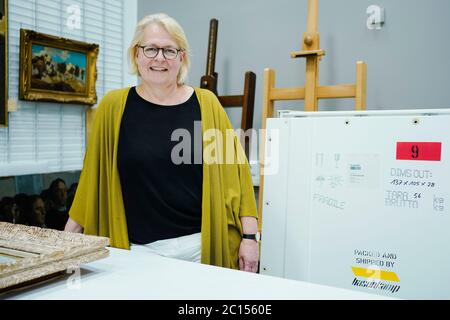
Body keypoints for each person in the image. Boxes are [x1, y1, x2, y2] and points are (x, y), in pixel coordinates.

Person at [65, 13, 259, 272]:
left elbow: (239, 179)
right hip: (135, 255)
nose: (159, 58)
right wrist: (65, 243)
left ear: (182, 58)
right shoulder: (113, 107)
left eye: (169, 50)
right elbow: (91, 181)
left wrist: (250, 239)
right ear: (136, 54)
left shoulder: (207, 105)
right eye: (151, 49)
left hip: (201, 250)